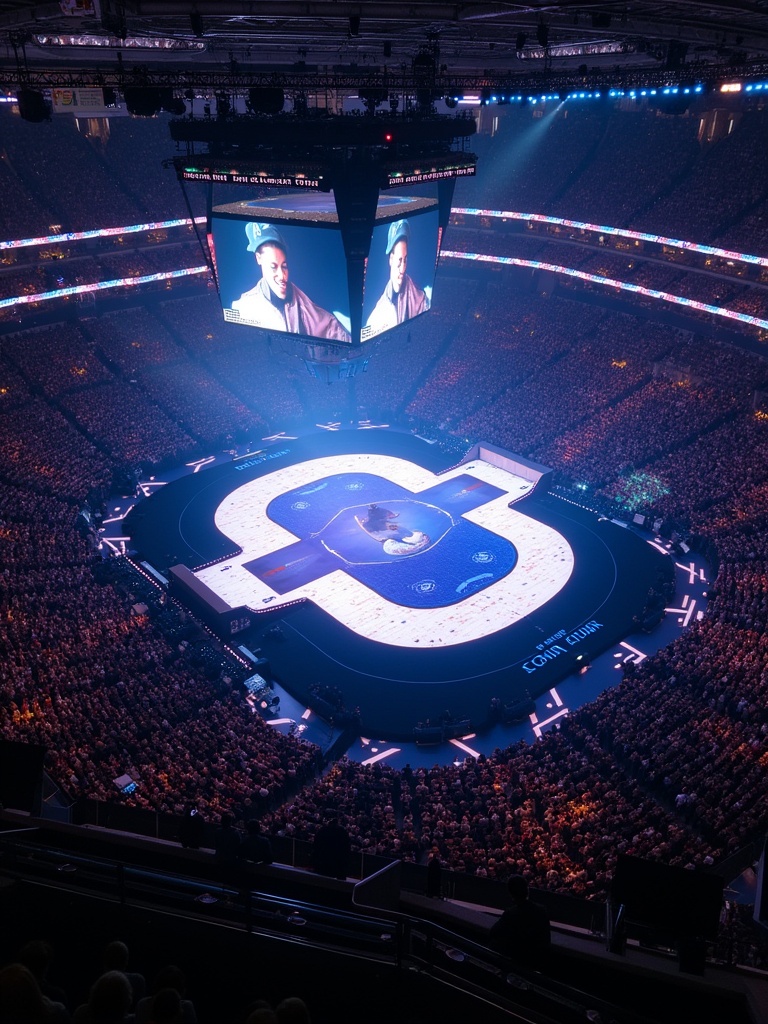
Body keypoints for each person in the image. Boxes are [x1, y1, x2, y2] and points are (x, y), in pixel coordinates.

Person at [231, 223, 350, 342]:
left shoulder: (307, 308)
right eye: (273, 267)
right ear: (258, 258)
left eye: (284, 266)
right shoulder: (242, 307)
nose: (282, 276)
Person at [365, 219, 429, 335]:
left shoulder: (422, 301)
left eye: (405, 260)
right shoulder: (377, 314)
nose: (403, 268)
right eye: (399, 261)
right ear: (391, 259)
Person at [488, 875, 551, 970]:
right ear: (527, 890)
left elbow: (493, 932)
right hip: (536, 964)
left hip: (516, 963)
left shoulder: (510, 913)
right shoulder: (541, 911)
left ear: (510, 893)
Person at [311, 810, 351, 879]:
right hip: (337, 866)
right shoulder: (343, 832)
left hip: (322, 864)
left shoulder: (323, 830)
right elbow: (347, 848)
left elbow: (316, 845)